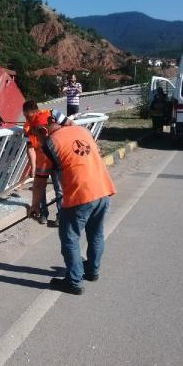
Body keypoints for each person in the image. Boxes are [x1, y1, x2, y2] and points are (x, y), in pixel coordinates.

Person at [28, 121, 116, 295]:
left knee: (69, 238)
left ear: (44, 131)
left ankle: (74, 282)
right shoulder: (82, 130)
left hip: (80, 196)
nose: (38, 141)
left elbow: (39, 183)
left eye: (37, 137)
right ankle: (91, 271)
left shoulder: (49, 144)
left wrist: (35, 206)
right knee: (96, 233)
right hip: (103, 190)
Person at [22, 100, 74, 227]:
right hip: (42, 162)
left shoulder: (53, 114)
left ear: (36, 111)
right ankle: (42, 214)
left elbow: (71, 124)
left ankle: (61, 216)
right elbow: (30, 147)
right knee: (40, 189)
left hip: (57, 159)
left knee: (59, 189)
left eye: (29, 116)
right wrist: (33, 166)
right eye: (25, 116)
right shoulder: (27, 127)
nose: (27, 119)